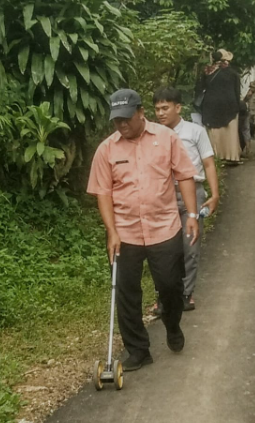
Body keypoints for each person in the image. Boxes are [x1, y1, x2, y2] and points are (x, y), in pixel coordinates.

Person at [87, 88, 200, 371]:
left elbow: (185, 175)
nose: (122, 124)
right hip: (125, 233)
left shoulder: (166, 138)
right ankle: (138, 350)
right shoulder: (106, 149)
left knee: (170, 286)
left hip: (164, 228)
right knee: (126, 293)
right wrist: (111, 231)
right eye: (117, 120)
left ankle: (172, 324)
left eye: (127, 118)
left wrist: (192, 214)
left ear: (141, 113)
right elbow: (103, 192)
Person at [153, 87, 220, 311]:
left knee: (190, 246)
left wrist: (215, 195)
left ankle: (186, 293)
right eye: (157, 109)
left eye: (165, 108)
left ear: (178, 107)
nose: (161, 113)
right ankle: (164, 296)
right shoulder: (153, 134)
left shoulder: (195, 131)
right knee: (163, 249)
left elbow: (208, 163)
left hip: (193, 193)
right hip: (163, 195)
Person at [198, 49, 242, 165]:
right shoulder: (232, 73)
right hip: (230, 106)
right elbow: (237, 91)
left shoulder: (207, 71)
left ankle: (217, 157)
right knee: (230, 133)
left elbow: (200, 89)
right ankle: (232, 156)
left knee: (215, 133)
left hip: (211, 107)